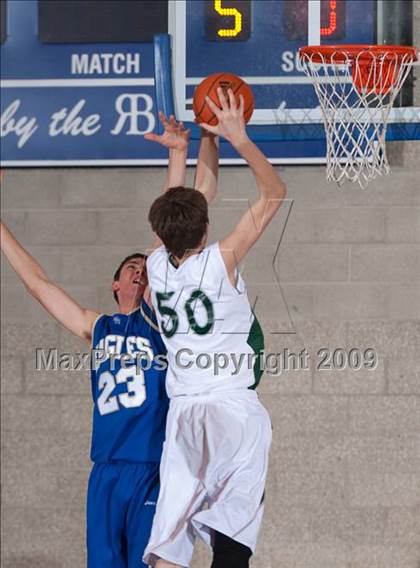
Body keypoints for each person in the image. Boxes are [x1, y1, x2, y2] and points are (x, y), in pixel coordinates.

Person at [0, 114, 219, 568]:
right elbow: (38, 284)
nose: (140, 271)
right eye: (131, 269)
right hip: (104, 471)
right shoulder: (94, 326)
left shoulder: (159, 322)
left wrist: (177, 155)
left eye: (146, 269)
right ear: (115, 284)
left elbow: (164, 233)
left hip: (151, 469)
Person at [143, 88, 287, 568]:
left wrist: (202, 142)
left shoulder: (155, 265)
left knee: (169, 544)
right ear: (205, 230)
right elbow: (274, 193)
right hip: (232, 411)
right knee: (233, 537)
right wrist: (238, 139)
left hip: (183, 417)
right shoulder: (221, 260)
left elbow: (184, 204)